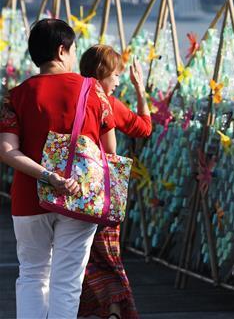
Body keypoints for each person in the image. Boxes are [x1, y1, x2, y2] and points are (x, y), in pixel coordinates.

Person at [0, 19, 114, 318]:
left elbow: (7, 151)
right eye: (73, 50)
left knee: (32, 275)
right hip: (79, 196)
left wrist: (49, 176)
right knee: (67, 282)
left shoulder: (15, 96)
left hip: (29, 197)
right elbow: (110, 151)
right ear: (62, 50)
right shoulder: (93, 90)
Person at [78, 44, 152, 319]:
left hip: (71, 188)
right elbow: (144, 128)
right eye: (116, 75)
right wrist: (140, 90)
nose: (119, 81)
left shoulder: (74, 96)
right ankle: (113, 309)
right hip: (103, 191)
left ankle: (99, 309)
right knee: (107, 253)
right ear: (102, 72)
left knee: (80, 255)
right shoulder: (107, 103)